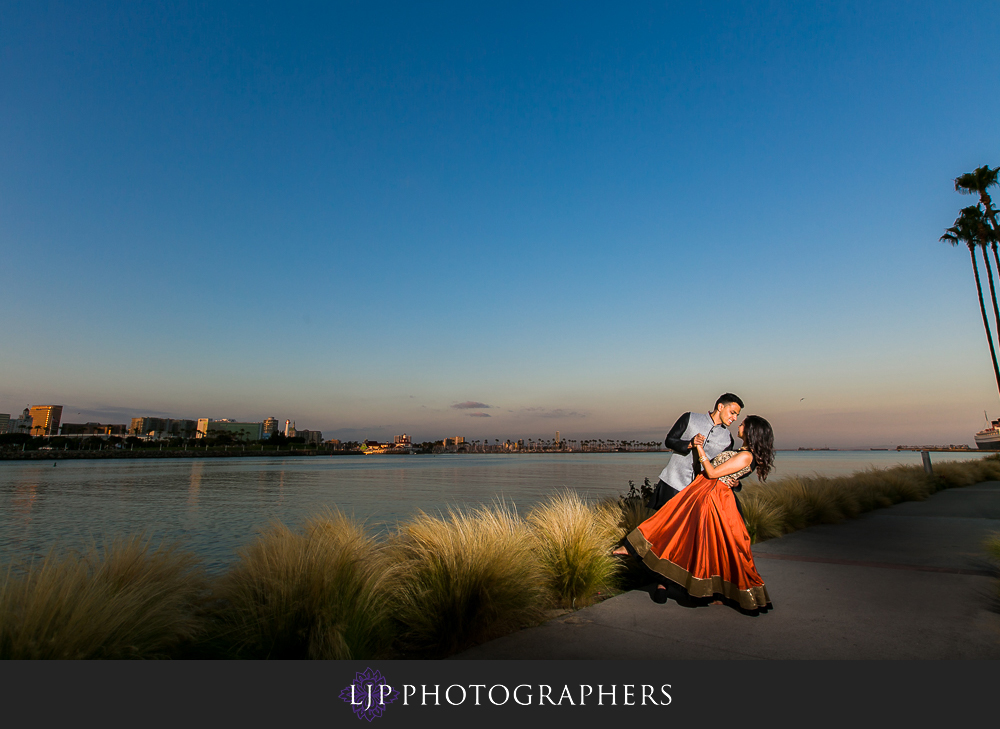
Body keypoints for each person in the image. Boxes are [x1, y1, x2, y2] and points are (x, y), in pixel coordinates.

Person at [623, 415, 776, 612]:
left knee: (718, 545)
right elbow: (729, 473)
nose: (739, 423)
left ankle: (638, 550)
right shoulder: (741, 452)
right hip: (708, 496)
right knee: (708, 545)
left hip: (715, 501)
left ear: (751, 431)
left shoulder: (746, 455)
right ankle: (708, 591)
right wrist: (734, 480)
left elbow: (713, 473)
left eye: (743, 423)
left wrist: (699, 447)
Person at [648, 394, 744, 510]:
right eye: (732, 413)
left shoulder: (728, 439)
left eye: (737, 415)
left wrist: (736, 485)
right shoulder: (689, 418)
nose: (735, 418)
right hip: (672, 483)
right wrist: (689, 444)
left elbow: (723, 469)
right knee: (658, 523)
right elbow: (669, 441)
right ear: (720, 407)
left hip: (698, 491)